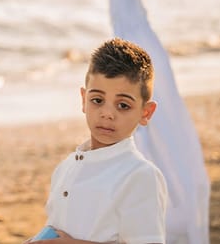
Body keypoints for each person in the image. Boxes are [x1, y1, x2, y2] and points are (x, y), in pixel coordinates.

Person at [27, 38, 168, 243]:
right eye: (97, 101)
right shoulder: (65, 167)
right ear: (84, 100)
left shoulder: (141, 177)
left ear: (146, 112)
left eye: (123, 105)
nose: (107, 114)